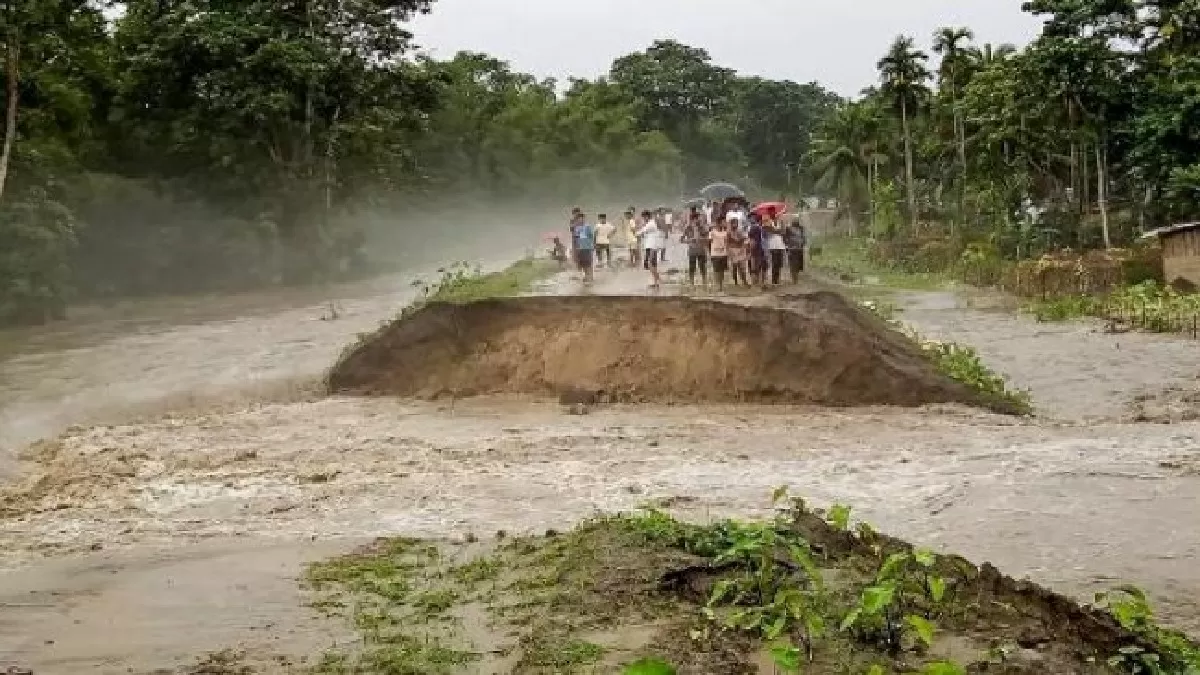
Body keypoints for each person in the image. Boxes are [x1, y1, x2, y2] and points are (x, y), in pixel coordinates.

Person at [682, 211, 710, 286]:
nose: (698, 220)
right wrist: (690, 240)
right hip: (692, 250)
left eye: (699, 219)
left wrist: (702, 239)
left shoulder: (703, 228)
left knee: (702, 267)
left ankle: (704, 282)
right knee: (692, 267)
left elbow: (708, 239)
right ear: (693, 219)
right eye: (697, 219)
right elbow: (681, 240)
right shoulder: (688, 228)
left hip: (701, 250)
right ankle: (692, 282)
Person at [637, 209, 663, 288]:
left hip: (652, 246)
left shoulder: (651, 224)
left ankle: (658, 279)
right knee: (651, 264)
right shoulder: (649, 223)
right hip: (649, 246)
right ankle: (656, 281)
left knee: (650, 264)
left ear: (647, 216)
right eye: (643, 217)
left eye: (644, 217)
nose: (643, 219)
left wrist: (635, 230)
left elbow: (640, 232)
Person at [763, 207, 787, 286]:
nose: (772, 213)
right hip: (772, 244)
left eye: (773, 212)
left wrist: (777, 229)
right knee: (774, 262)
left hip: (780, 244)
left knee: (779, 263)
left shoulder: (780, 221)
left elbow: (783, 232)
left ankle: (777, 279)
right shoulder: (767, 222)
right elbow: (770, 230)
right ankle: (774, 280)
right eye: (771, 212)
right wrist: (777, 230)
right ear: (769, 214)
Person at [570, 212, 596, 283]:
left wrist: (593, 245)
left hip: (587, 248)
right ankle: (587, 277)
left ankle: (590, 278)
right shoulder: (576, 228)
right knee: (582, 265)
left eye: (582, 218)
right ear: (577, 219)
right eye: (579, 219)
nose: (580, 220)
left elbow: (591, 236)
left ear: (584, 219)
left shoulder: (587, 226)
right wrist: (575, 250)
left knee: (588, 264)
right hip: (579, 249)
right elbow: (575, 239)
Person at [783, 215, 807, 283]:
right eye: (794, 220)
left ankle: (796, 277)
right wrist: (787, 245)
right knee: (793, 264)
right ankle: (794, 278)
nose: (795, 221)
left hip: (799, 248)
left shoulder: (801, 229)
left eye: (797, 220)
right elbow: (785, 238)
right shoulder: (788, 229)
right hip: (792, 249)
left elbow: (803, 237)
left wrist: (803, 242)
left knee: (798, 264)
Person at [746, 213, 767, 289]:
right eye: (751, 218)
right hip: (759, 249)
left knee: (756, 267)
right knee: (757, 267)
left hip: (757, 250)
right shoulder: (759, 228)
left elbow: (752, 241)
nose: (751, 219)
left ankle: (756, 285)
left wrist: (750, 252)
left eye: (752, 218)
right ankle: (758, 284)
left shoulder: (755, 228)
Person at [709, 217, 730, 291]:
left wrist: (728, 253)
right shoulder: (712, 232)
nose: (725, 223)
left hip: (723, 254)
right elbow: (709, 242)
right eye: (723, 222)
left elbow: (727, 243)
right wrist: (709, 253)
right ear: (719, 223)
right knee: (716, 270)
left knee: (722, 271)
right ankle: (717, 285)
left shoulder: (725, 232)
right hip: (715, 254)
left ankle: (720, 285)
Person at [728, 214, 749, 287]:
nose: (734, 225)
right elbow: (728, 243)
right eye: (733, 223)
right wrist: (729, 252)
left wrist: (743, 249)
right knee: (734, 267)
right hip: (733, 251)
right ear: (731, 224)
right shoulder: (729, 232)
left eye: (736, 223)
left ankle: (744, 281)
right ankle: (736, 282)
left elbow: (745, 240)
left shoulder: (740, 231)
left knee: (742, 267)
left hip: (740, 250)